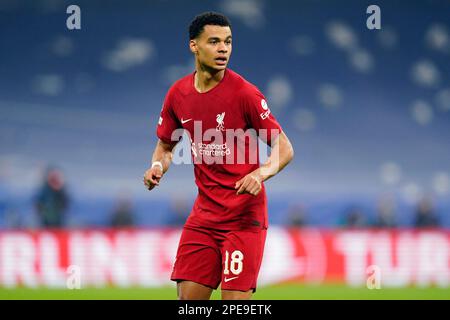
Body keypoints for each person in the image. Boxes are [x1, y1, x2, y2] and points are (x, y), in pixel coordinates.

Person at [143, 12, 294, 300]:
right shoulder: (178, 94)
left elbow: (285, 148)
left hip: (243, 217)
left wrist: (260, 173)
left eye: (228, 42)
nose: (223, 48)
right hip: (204, 218)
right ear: (194, 46)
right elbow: (165, 146)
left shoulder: (245, 94)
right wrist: (156, 167)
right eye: (214, 42)